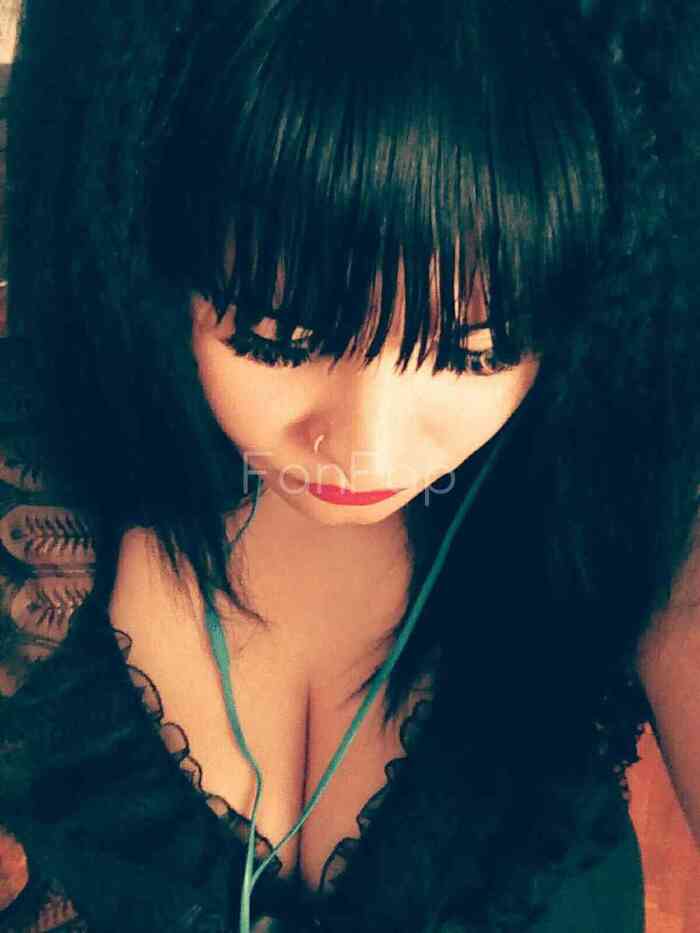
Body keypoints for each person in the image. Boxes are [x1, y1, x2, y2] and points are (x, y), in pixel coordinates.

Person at [0, 1, 699, 930]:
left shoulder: (629, 496)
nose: (370, 446)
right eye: (281, 337)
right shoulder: (34, 476)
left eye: (479, 350)